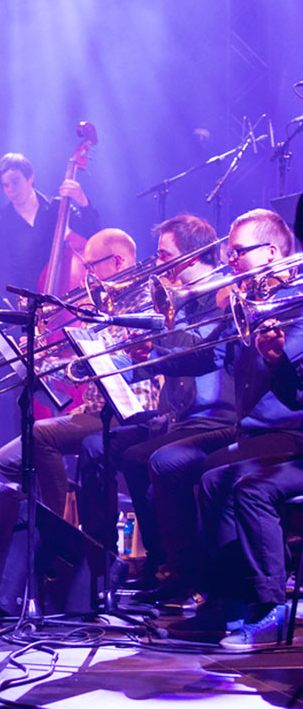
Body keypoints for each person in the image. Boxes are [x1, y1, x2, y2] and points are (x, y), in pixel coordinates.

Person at [163, 208, 303, 640]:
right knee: (209, 478)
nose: (230, 260)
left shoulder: (294, 302)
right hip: (257, 430)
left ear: (272, 252)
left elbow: (292, 394)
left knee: (228, 480)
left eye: (238, 251)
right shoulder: (252, 301)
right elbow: (216, 360)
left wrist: (273, 356)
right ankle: (227, 603)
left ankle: (265, 605)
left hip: (290, 433)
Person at [76, 215, 236, 572]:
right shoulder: (176, 301)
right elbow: (158, 361)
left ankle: (173, 567)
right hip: (175, 417)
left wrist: (157, 337)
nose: (157, 263)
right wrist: (105, 365)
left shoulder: (222, 295)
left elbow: (203, 352)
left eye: (164, 255)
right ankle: (100, 567)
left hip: (213, 419)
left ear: (191, 257)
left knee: (142, 457)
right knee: (96, 448)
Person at [0, 228, 158, 519]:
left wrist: (76, 345)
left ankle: (57, 535)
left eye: (91, 266)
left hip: (130, 411)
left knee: (41, 435)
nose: (86, 276)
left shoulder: (146, 302)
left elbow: (113, 362)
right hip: (95, 408)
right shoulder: (101, 305)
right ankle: (64, 507)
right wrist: (38, 359)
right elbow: (79, 373)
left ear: (118, 261)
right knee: (8, 460)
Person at [0, 152, 101, 292]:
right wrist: (21, 302)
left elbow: (94, 238)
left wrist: (83, 202)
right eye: (6, 185)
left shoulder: (58, 208)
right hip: (29, 306)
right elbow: (1, 274)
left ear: (30, 178)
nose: (11, 190)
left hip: (66, 294)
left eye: (15, 182)